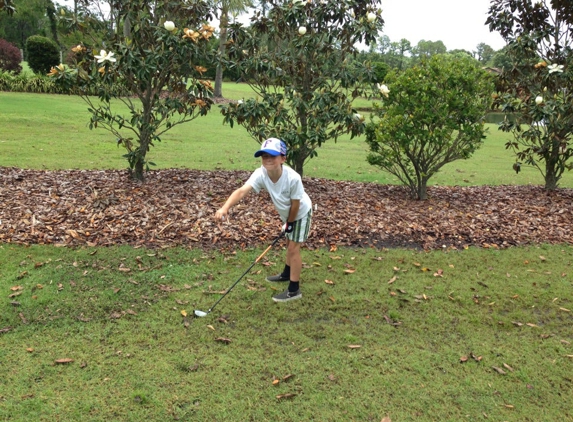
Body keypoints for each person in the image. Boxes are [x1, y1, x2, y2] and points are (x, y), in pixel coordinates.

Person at [214, 137, 312, 302]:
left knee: (293, 248)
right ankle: (286, 274)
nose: (268, 159)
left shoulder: (293, 178)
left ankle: (294, 290)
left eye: (272, 156)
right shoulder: (261, 173)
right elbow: (242, 191)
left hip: (300, 212)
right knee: (288, 243)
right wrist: (225, 207)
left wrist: (290, 222)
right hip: (287, 213)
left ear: (283, 158)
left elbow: (296, 204)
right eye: (264, 156)